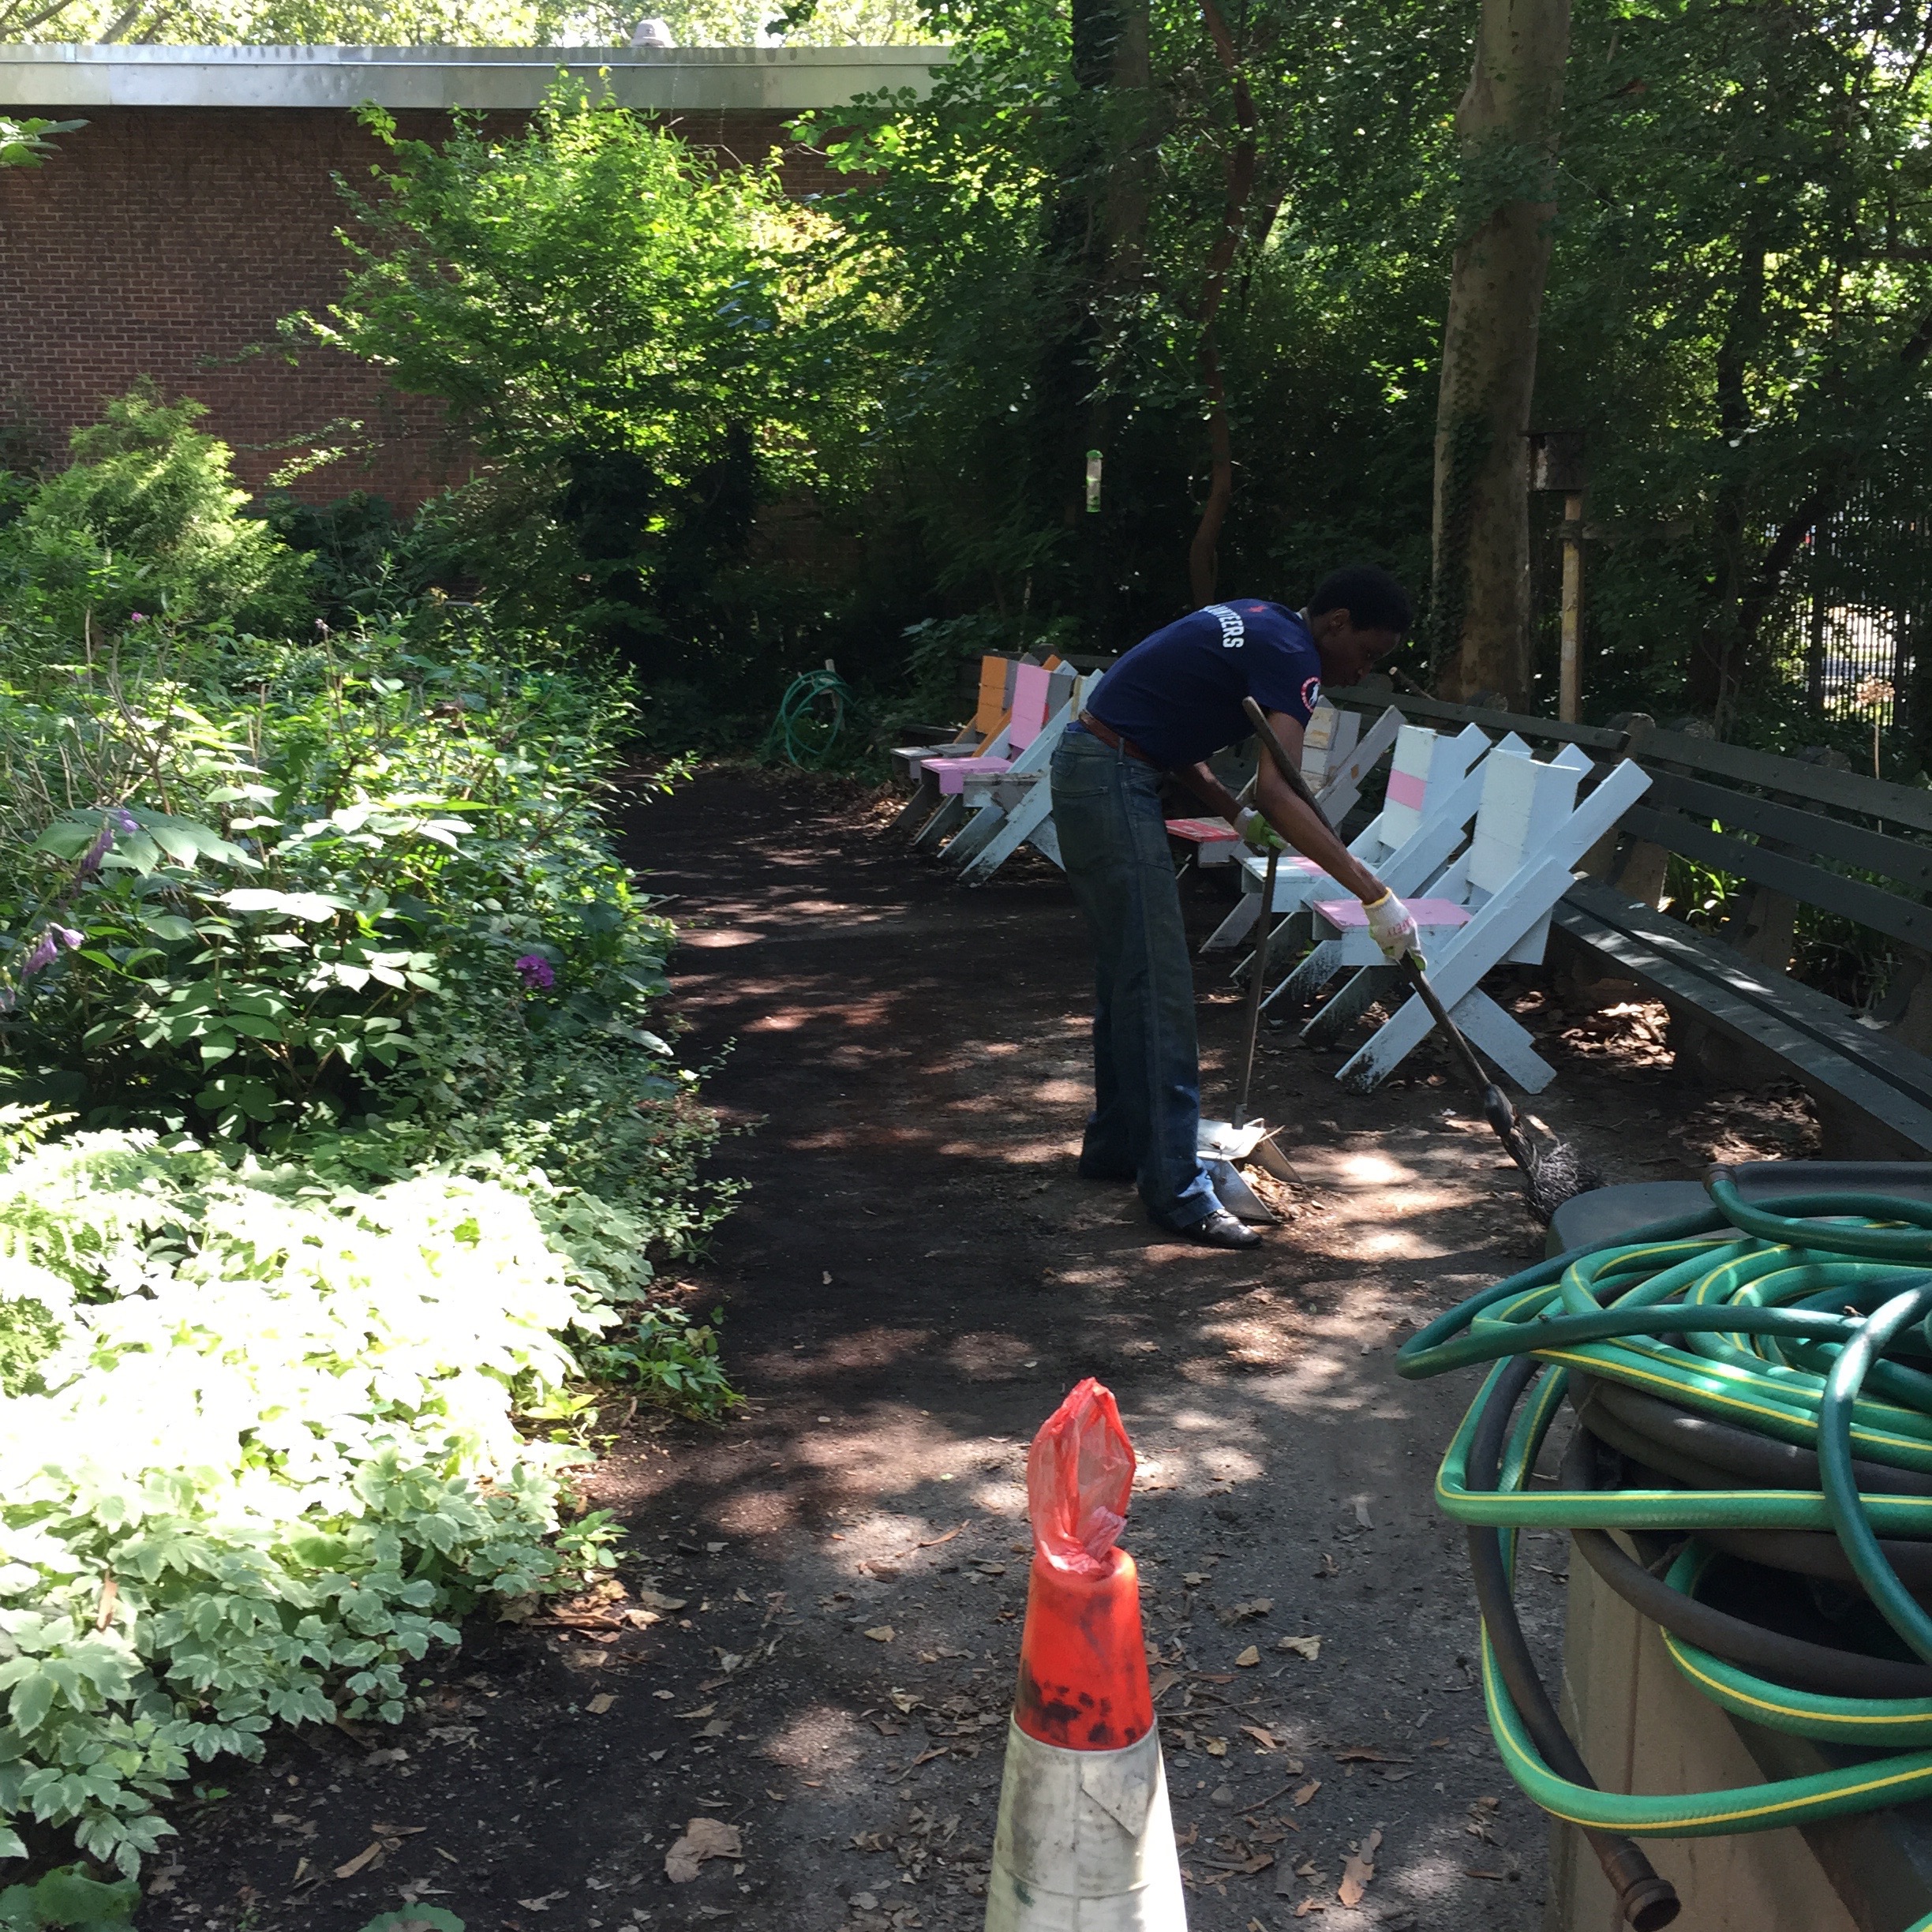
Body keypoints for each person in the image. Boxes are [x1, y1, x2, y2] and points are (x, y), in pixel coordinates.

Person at [1050, 566, 1422, 1249]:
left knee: (1129, 974)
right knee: (1158, 987)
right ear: (1337, 623)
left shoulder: (1260, 619)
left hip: (1098, 763)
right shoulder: (1294, 655)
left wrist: (1234, 813)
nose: (1362, 672)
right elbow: (1282, 793)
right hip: (1111, 777)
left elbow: (1167, 736)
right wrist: (1375, 894)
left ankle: (1117, 1146)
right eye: (1367, 653)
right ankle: (1178, 1195)